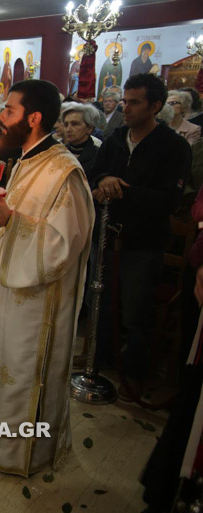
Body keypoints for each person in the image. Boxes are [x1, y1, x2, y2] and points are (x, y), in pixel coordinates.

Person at [0, 79, 95, 475]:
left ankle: (18, 451)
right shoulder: (26, 160)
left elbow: (65, 241)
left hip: (36, 302)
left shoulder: (64, 172)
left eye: (9, 111)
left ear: (34, 117)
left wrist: (12, 219)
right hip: (5, 291)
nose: (0, 117)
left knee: (22, 372)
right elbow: (8, 211)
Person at [91, 74, 191, 399]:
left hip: (143, 243)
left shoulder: (173, 146)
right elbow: (95, 173)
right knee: (102, 303)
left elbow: (170, 199)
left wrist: (120, 189)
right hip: (108, 236)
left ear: (155, 106)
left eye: (134, 102)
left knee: (136, 313)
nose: (126, 107)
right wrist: (103, 180)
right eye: (125, 100)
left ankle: (133, 374)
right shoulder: (116, 138)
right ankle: (100, 360)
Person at [61, 102, 101, 180]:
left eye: (75, 124)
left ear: (89, 128)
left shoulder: (99, 156)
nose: (68, 129)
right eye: (66, 125)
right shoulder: (59, 152)